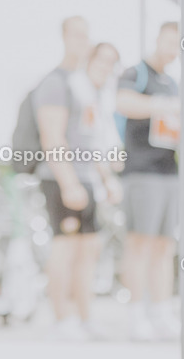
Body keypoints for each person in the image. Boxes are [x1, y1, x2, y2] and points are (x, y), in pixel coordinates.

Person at [34, 18, 121, 341]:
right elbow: (52, 136)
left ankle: (85, 318)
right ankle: (62, 319)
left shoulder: (85, 85)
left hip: (87, 179)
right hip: (61, 178)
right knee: (65, 248)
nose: (83, 42)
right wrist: (69, 182)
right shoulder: (56, 82)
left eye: (87, 36)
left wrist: (105, 178)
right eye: (77, 36)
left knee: (89, 249)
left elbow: (91, 138)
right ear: (65, 38)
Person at [115, 21, 181, 341]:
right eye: (169, 41)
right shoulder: (135, 73)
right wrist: (160, 106)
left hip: (170, 170)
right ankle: (136, 313)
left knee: (164, 245)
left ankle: (161, 310)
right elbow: (123, 103)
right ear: (158, 39)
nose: (172, 49)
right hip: (141, 171)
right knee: (139, 243)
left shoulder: (173, 82)